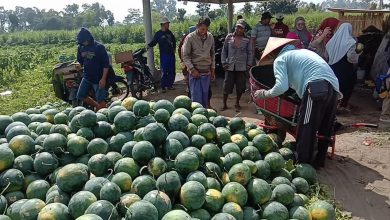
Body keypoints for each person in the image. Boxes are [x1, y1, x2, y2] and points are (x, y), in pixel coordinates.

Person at [254, 37, 341, 167]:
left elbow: (281, 87)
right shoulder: (301, 52)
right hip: (334, 89)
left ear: (273, 53)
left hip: (316, 87)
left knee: (306, 126)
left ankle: (303, 165)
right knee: (325, 126)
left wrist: (264, 94)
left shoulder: (281, 59)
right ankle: (319, 161)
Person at [326, 23, 360, 112]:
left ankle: (331, 106)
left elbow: (327, 54)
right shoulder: (350, 42)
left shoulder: (332, 41)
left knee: (334, 87)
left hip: (332, 67)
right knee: (347, 86)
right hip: (345, 68)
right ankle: (342, 105)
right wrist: (358, 56)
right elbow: (351, 57)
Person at [182, 17, 216, 108]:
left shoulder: (210, 37)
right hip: (195, 73)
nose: (203, 31)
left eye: (206, 29)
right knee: (196, 99)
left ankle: (204, 115)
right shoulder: (190, 38)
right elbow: (185, 56)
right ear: (197, 26)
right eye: (202, 29)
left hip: (206, 72)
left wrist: (212, 69)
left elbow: (212, 54)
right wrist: (192, 70)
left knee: (206, 96)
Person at [221, 19, 253, 112]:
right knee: (227, 85)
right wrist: (224, 62)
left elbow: (250, 52)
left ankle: (237, 103)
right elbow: (224, 51)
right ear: (235, 27)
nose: (239, 30)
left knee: (240, 86)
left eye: (241, 28)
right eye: (237, 27)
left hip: (242, 66)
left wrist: (248, 64)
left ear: (244, 29)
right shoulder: (229, 37)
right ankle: (224, 104)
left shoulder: (247, 39)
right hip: (230, 66)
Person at [76, 27, 110, 111]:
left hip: (98, 78)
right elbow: (80, 61)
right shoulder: (80, 47)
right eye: (82, 42)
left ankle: (104, 116)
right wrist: (78, 65)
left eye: (85, 41)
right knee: (80, 95)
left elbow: (106, 64)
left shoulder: (99, 47)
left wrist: (103, 79)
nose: (84, 43)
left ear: (89, 38)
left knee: (101, 99)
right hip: (87, 76)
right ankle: (97, 106)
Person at [148, 17, 176, 93]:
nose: (168, 25)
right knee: (164, 70)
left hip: (171, 54)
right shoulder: (158, 34)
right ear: (163, 24)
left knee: (172, 70)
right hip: (164, 55)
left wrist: (174, 49)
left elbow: (174, 41)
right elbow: (154, 42)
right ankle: (163, 86)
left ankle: (170, 85)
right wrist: (148, 46)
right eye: (167, 24)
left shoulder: (169, 32)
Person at [179, 26, 196, 94]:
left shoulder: (197, 38)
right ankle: (188, 87)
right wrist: (182, 59)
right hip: (186, 60)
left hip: (193, 60)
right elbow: (180, 49)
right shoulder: (185, 39)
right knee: (186, 74)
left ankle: (191, 87)